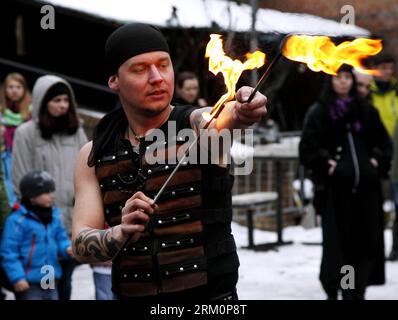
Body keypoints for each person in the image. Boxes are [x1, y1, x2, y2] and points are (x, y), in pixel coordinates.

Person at [72, 23, 267, 301]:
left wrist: (243, 108)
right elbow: (80, 244)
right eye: (140, 70)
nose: (156, 78)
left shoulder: (199, 126)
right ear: (114, 80)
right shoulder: (93, 154)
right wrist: (119, 233)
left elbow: (226, 116)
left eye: (163, 65)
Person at [300, 65, 392, 300]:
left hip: (366, 193)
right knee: (340, 248)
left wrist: (375, 162)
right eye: (338, 77)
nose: (343, 82)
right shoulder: (320, 112)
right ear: (330, 81)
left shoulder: (365, 110)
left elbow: (384, 143)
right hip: (336, 194)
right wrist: (327, 164)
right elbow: (308, 148)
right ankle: (339, 287)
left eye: (347, 77)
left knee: (364, 245)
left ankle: (355, 291)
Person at [11, 75, 88, 299]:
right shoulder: (26, 133)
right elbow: (20, 179)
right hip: (40, 226)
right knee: (44, 285)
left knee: (66, 282)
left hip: (72, 222)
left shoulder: (76, 131)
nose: (62, 105)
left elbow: (88, 170)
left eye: (66, 100)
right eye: (56, 100)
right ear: (42, 102)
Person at [0, 170, 72, 300]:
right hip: (28, 282)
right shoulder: (17, 221)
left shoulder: (54, 217)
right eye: (46, 192)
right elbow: (9, 253)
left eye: (52, 191)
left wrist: (67, 248)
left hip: (50, 277)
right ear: (32, 196)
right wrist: (17, 278)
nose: (51, 196)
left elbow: (61, 239)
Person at [370, 54, 398, 261]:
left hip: (396, 154)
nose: (386, 72)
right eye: (383, 67)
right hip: (375, 154)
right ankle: (373, 247)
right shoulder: (366, 92)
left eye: (390, 68)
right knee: (374, 205)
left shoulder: (396, 91)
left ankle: (395, 247)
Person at [0, 72, 31, 207]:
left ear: (24, 90)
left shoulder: (31, 112)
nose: (14, 90)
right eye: (10, 87)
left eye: (18, 87)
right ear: (5, 90)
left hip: (23, 155)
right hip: (5, 154)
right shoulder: (1, 110)